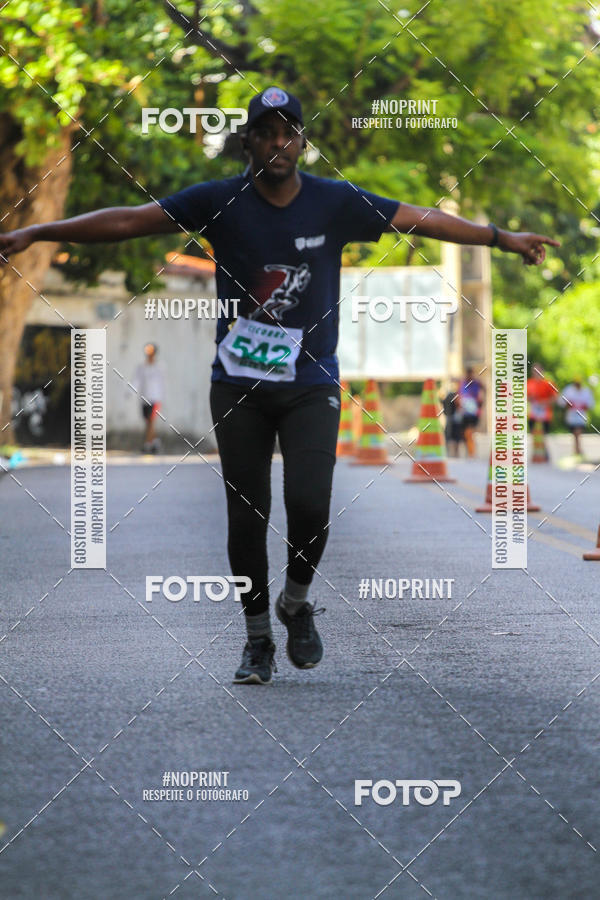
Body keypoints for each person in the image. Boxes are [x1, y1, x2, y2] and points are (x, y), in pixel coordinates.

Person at [0, 85, 560, 685]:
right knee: (246, 518)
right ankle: (257, 638)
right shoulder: (220, 200)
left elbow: (419, 218)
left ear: (302, 141)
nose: (278, 143)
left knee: (311, 505)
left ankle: (295, 601)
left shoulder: (335, 203)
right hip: (237, 383)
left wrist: (502, 238)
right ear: (247, 142)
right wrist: (40, 231)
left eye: (288, 131)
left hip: (310, 381)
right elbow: (132, 221)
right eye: (265, 132)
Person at [132, 342, 165, 453]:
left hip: (155, 398)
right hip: (144, 397)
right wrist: (131, 391)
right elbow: (136, 380)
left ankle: (147, 445)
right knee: (147, 421)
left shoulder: (159, 366)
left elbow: (162, 383)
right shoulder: (141, 366)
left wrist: (161, 398)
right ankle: (155, 441)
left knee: (151, 421)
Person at [558, 377, 594, 456]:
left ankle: (577, 449)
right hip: (571, 416)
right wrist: (569, 405)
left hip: (581, 416)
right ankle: (577, 449)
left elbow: (590, 404)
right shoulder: (568, 390)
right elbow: (561, 402)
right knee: (575, 433)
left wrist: (582, 406)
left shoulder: (586, 391)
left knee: (578, 432)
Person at [458, 366, 485, 458]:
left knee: (470, 431)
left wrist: (480, 406)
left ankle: (471, 450)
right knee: (465, 432)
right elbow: (459, 395)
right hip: (465, 411)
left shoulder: (477, 384)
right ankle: (469, 448)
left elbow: (482, 393)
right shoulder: (462, 383)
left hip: (473, 411)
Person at [527, 364, 558, 434]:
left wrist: (545, 402)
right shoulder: (529, 383)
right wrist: (530, 398)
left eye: (538, 371)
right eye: (534, 371)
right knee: (534, 434)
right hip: (533, 414)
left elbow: (555, 398)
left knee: (544, 435)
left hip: (545, 414)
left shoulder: (548, 383)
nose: (536, 373)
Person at [442, 378, 464, 458]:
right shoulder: (451, 395)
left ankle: (454, 453)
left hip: (454, 417)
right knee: (451, 435)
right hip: (451, 417)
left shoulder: (457, 395)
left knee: (455, 435)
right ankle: (452, 453)